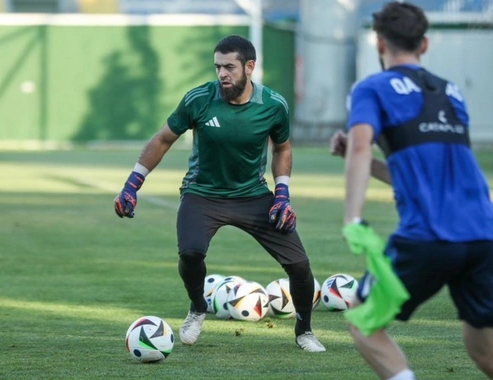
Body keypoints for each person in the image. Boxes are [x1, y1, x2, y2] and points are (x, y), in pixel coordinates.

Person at [114, 35, 325, 352]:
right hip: (203, 194)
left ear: (249, 67)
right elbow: (162, 139)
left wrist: (282, 194)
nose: (222, 74)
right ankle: (198, 307)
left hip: (254, 196)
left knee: (299, 265)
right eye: (218, 67)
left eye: (229, 67)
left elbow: (282, 148)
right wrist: (133, 183)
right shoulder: (198, 99)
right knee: (190, 253)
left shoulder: (273, 105)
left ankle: (304, 331)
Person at [335, 2, 493, 379]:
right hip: (483, 236)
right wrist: (366, 162)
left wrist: (353, 219)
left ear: (378, 43)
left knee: (362, 318)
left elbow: (360, 146)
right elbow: (429, 175)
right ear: (424, 44)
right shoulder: (451, 92)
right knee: (482, 349)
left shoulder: (371, 88)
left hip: (429, 236)